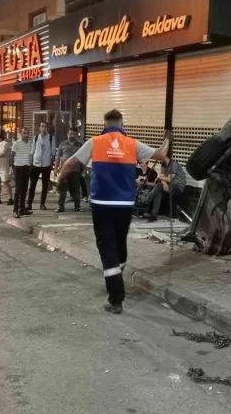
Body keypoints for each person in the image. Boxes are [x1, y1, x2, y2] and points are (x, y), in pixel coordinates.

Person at [59, 109, 169, 314]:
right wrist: (166, 140)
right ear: (121, 123)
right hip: (125, 205)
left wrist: (60, 179)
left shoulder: (95, 142)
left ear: (105, 122)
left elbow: (70, 163)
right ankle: (117, 274)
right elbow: (161, 155)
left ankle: (116, 297)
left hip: (101, 204)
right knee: (119, 243)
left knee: (107, 248)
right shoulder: (132, 144)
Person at [143, 155, 186, 222]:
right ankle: (154, 215)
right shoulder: (164, 165)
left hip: (177, 187)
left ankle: (146, 201)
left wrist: (161, 179)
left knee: (158, 187)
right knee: (158, 191)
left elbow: (170, 179)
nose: (162, 160)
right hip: (169, 186)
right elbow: (161, 177)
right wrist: (163, 181)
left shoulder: (174, 165)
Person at [27, 121, 55, 211]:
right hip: (36, 164)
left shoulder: (51, 138)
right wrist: (30, 163)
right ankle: (29, 204)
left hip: (46, 164)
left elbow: (53, 151)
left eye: (45, 126)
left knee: (45, 185)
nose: (43, 128)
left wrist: (52, 162)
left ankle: (42, 204)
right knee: (32, 185)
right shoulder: (35, 138)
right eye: (42, 126)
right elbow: (32, 151)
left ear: (47, 128)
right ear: (39, 128)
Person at [54, 128, 83, 212]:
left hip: (75, 170)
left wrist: (83, 169)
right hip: (64, 170)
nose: (72, 135)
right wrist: (56, 168)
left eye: (73, 134)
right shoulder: (62, 144)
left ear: (76, 135)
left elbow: (82, 158)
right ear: (67, 134)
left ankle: (77, 206)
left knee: (76, 190)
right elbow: (58, 157)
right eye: (70, 133)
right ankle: (61, 207)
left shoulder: (79, 145)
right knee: (62, 190)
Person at [11, 127, 32, 218]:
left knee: (24, 190)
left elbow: (30, 155)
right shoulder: (16, 143)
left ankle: (22, 209)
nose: (26, 135)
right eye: (24, 133)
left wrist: (30, 166)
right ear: (21, 134)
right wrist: (13, 168)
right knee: (18, 190)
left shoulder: (30, 144)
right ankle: (15, 210)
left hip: (26, 168)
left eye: (27, 133)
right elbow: (12, 156)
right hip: (18, 168)